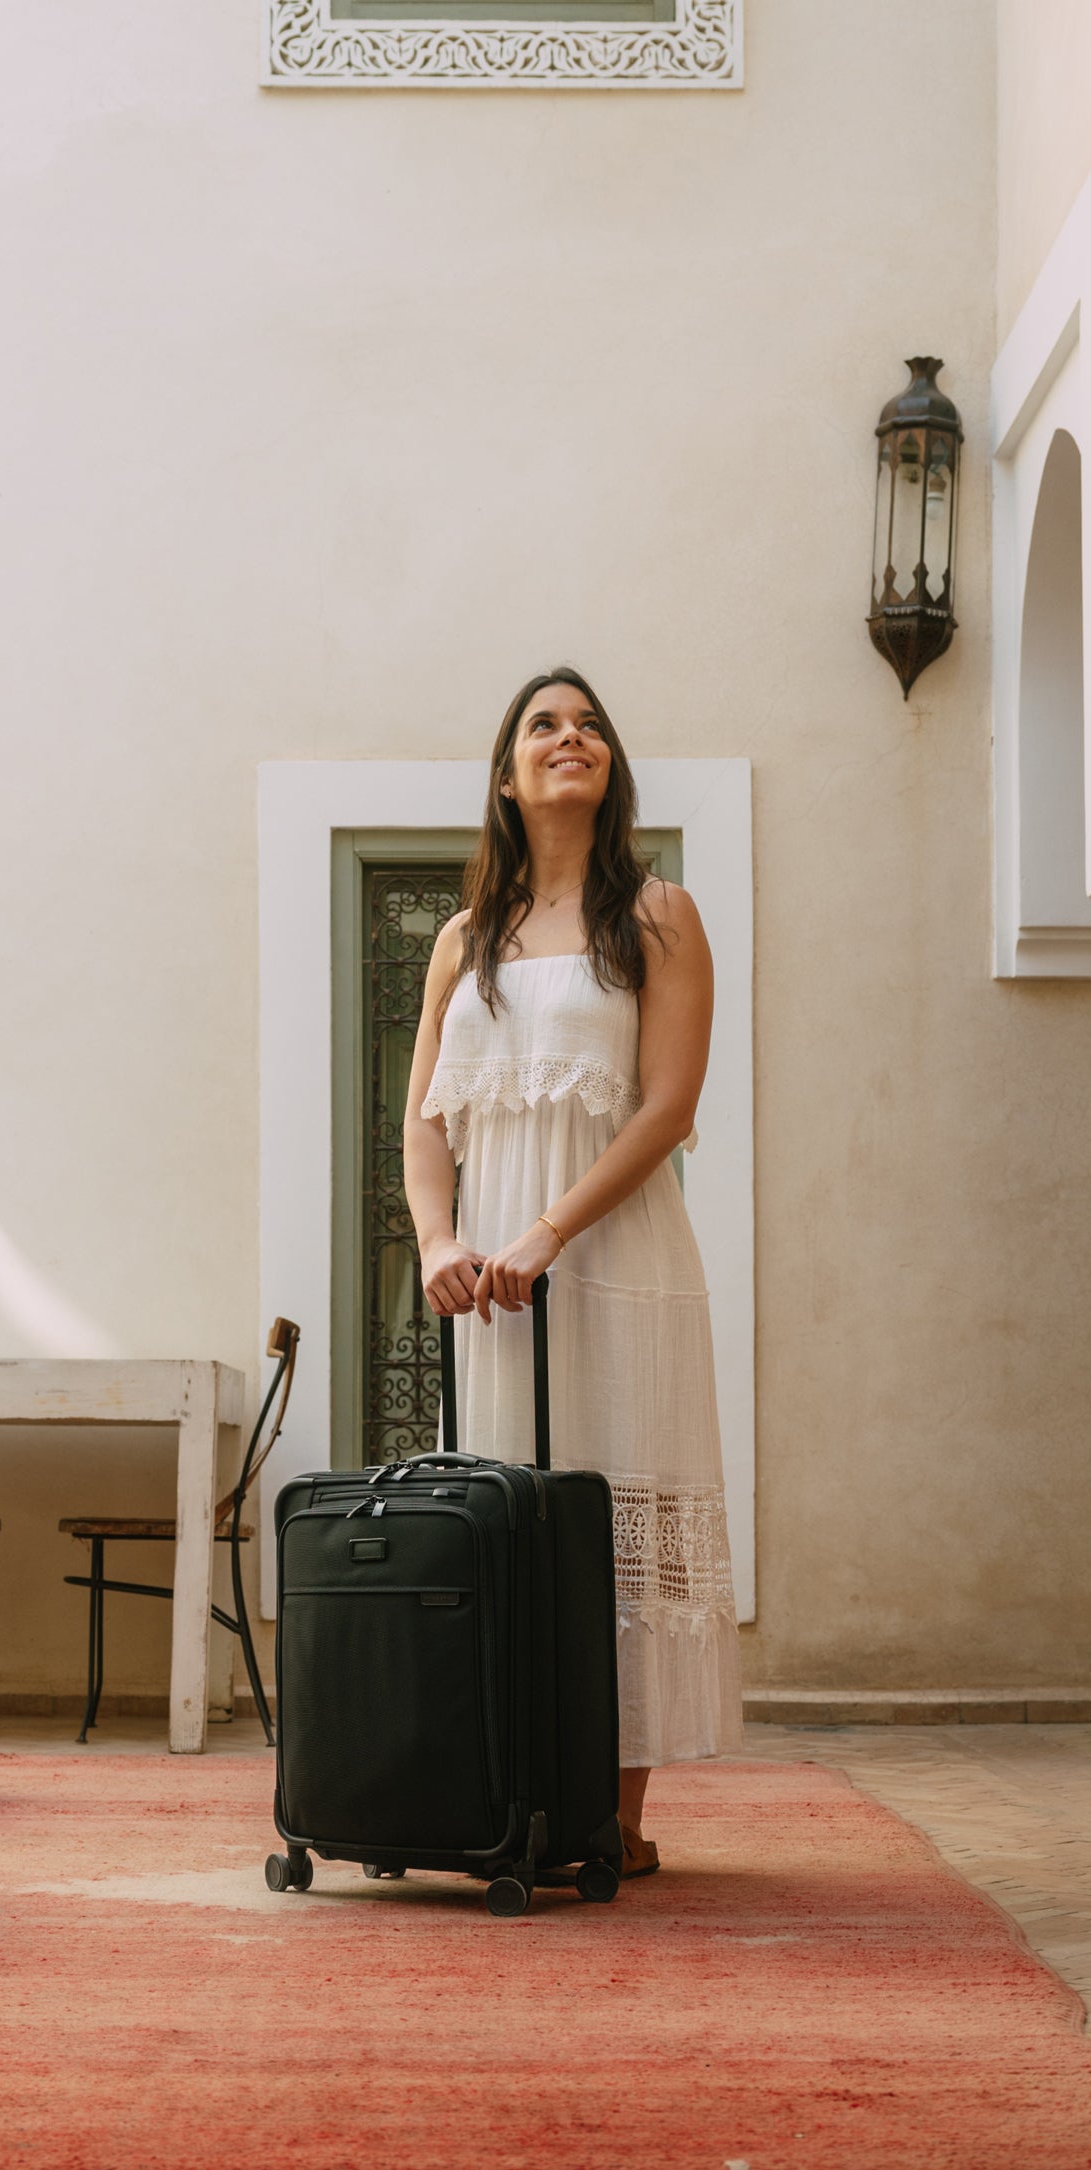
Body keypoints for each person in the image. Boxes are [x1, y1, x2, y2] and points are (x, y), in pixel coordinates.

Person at [404, 667, 743, 1879]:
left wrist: (547, 1231)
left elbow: (666, 1108)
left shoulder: (658, 915)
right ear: (507, 775)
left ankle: (608, 1818)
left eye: (589, 724)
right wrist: (441, 1244)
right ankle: (498, 1794)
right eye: (542, 725)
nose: (569, 737)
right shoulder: (460, 941)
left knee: (611, 1516)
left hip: (611, 1260)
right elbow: (425, 1126)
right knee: (501, 1524)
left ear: (610, 770)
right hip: (486, 1285)